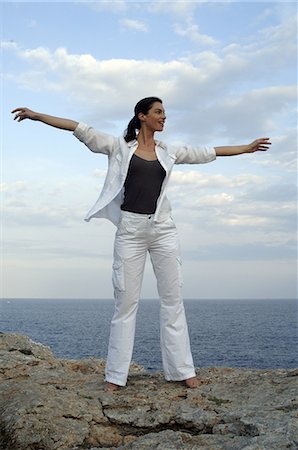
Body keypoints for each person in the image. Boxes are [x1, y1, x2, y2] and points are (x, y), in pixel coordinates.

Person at [12, 97, 271, 391]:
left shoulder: (169, 151)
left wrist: (247, 148)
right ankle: (115, 375)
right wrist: (36, 115)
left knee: (173, 300)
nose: (164, 117)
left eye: (164, 112)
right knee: (125, 303)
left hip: (163, 229)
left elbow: (209, 152)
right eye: (158, 112)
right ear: (142, 116)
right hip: (130, 231)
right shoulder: (118, 147)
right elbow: (78, 127)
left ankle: (183, 370)